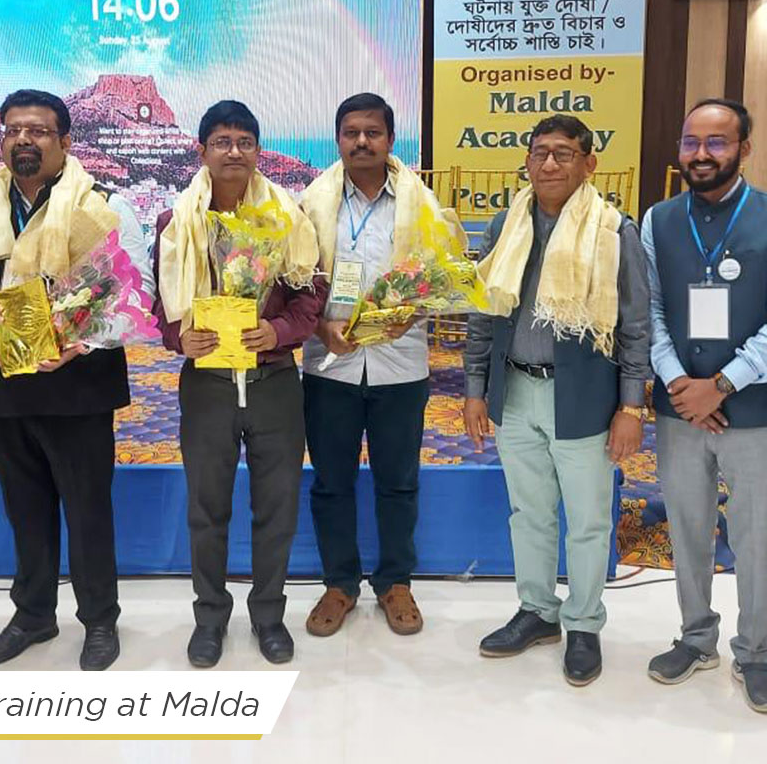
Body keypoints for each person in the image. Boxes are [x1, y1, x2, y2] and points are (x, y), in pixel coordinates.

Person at [0, 89, 152, 672]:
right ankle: (33, 616)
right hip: (4, 381)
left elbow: (137, 294)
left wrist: (83, 341)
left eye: (37, 131)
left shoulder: (102, 205)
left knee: (87, 510)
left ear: (64, 141)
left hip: (78, 383)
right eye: (13, 130)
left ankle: (100, 619)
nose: (23, 141)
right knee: (24, 509)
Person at [462, 114, 650, 687]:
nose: (548, 163)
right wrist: (475, 390)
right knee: (530, 513)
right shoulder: (506, 225)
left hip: (584, 400)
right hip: (515, 391)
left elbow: (636, 326)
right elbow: (483, 312)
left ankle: (584, 623)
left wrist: (631, 407)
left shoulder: (614, 231)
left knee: (588, 520)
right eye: (539, 152)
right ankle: (538, 612)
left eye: (563, 153)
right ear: (526, 162)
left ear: (589, 164)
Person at [153, 100, 326, 667]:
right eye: (222, 141)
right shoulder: (176, 224)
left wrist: (277, 331)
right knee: (207, 508)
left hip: (275, 380)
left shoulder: (286, 218)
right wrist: (181, 338)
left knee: (277, 506)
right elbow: (160, 307)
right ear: (201, 151)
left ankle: (269, 616)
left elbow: (310, 298)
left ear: (257, 151)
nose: (234, 151)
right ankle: (210, 618)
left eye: (245, 141)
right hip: (208, 383)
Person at [299, 92, 451, 638]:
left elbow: (442, 276)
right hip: (329, 366)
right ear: (338, 140)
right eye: (351, 133)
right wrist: (319, 327)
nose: (362, 142)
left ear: (391, 140)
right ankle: (339, 583)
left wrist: (416, 311)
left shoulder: (422, 205)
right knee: (331, 482)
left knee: (398, 481)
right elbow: (294, 281)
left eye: (373, 132)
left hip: (399, 365)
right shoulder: (311, 205)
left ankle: (395, 582)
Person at [642, 99, 767, 714]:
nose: (700, 154)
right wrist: (679, 384)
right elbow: (650, 310)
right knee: (687, 526)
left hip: (755, 407)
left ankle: (758, 652)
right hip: (680, 407)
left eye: (716, 142)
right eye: (691, 141)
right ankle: (696, 638)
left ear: (744, 148)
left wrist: (722, 383)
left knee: (756, 534)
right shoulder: (659, 219)